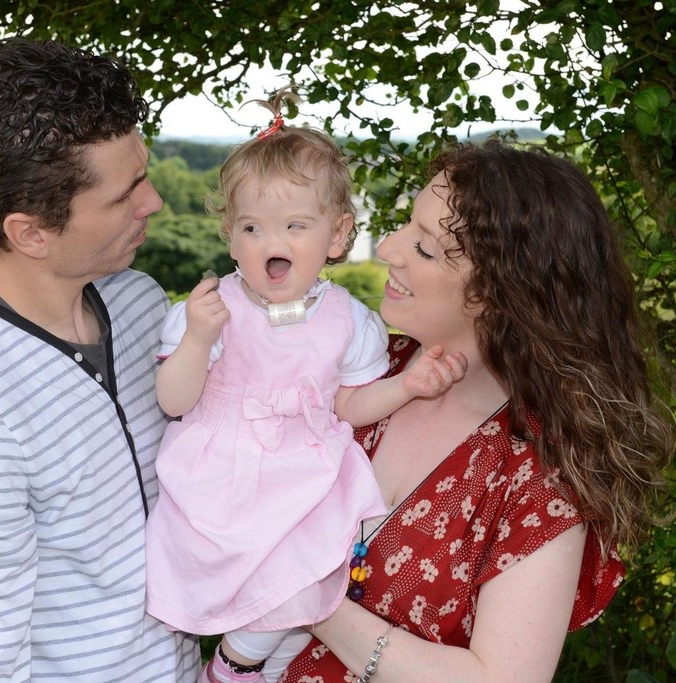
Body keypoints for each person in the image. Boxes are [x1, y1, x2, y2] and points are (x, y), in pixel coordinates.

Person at [279, 138, 675, 682]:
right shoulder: (360, 369)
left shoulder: (539, 476)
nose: (388, 248)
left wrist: (316, 606)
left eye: (424, 248)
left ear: (498, 290)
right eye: (405, 226)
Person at [0, 38, 200, 682]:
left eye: (143, 174)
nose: (153, 203)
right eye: (125, 195)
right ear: (30, 232)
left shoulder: (139, 302)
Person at [143, 91, 466, 683]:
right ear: (230, 236)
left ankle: (246, 666)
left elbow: (351, 406)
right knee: (275, 584)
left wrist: (407, 387)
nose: (274, 243)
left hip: (306, 474)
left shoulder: (348, 319)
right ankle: (236, 664)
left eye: (296, 226)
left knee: (309, 574)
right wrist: (196, 340)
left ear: (336, 236)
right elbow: (173, 401)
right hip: (226, 477)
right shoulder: (212, 310)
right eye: (252, 227)